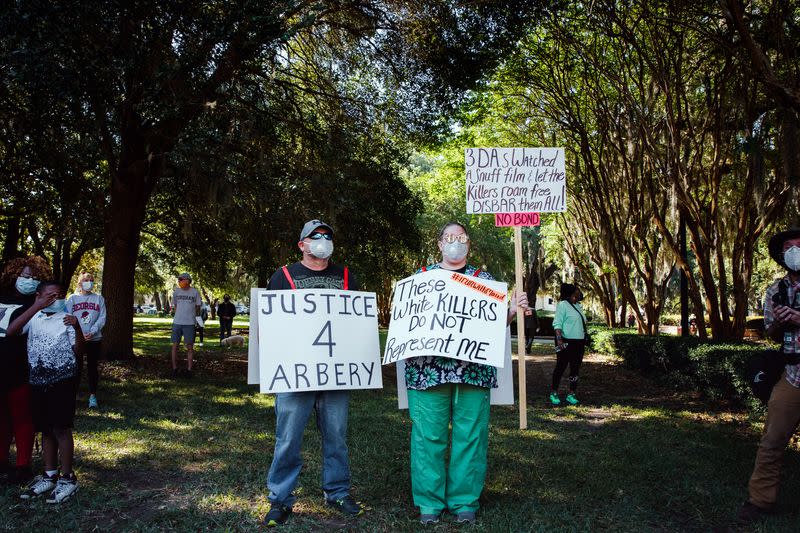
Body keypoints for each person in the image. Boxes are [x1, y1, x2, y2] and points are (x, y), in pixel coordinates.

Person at [405, 222, 527, 525]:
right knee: (427, 436)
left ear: (468, 244)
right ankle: (429, 503)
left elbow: (493, 323)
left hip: (473, 371)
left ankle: (464, 501)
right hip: (427, 370)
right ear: (439, 244)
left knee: (470, 436)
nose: (455, 242)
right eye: (449, 237)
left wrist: (512, 310)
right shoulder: (420, 280)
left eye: (460, 238)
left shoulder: (484, 281)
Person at [262, 219, 364, 527]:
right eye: (315, 236)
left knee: (336, 436)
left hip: (336, 373)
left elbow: (356, 327)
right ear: (302, 245)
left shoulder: (347, 277)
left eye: (327, 236)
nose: (322, 240)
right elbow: (271, 327)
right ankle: (280, 499)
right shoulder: (282, 277)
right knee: (288, 438)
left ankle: (338, 492)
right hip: (295, 374)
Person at [738, 228, 800, 523]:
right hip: (792, 375)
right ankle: (760, 500)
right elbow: (772, 333)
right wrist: (780, 323)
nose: (795, 250)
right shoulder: (775, 290)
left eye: (799, 245)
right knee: (772, 440)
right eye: (790, 247)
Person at [7, 280, 85, 503]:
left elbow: (79, 352)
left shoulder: (67, 319)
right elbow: (11, 331)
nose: (56, 300)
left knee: (61, 427)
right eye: (50, 296)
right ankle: (49, 474)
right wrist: (36, 307)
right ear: (39, 296)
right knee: (46, 429)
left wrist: (77, 327)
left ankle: (68, 478)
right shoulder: (34, 317)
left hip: (63, 380)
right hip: (38, 381)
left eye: (59, 295)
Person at [0, 256, 51, 486]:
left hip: (18, 368)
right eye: (25, 275)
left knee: (22, 417)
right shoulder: (3, 297)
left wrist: (38, 305)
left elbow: (15, 331)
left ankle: (22, 465)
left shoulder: (37, 307)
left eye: (34, 277)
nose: (28, 280)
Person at [66, 272, 106, 408]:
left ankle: (93, 396)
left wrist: (92, 331)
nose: (89, 282)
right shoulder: (72, 299)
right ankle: (73, 395)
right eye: (86, 279)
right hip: (77, 340)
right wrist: (76, 336)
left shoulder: (99, 298)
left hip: (94, 339)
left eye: (91, 280)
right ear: (80, 282)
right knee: (76, 367)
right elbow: (67, 319)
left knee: (92, 368)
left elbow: (102, 318)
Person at [550, 283, 587, 406]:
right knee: (561, 367)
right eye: (576, 289)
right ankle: (554, 392)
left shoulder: (578, 306)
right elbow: (557, 323)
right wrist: (559, 340)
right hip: (565, 341)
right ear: (571, 292)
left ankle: (572, 393)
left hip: (579, 342)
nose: (579, 291)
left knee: (575, 369)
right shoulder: (562, 305)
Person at [170, 273, 201, 378]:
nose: (179, 281)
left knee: (190, 347)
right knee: (175, 346)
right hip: (177, 323)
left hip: (190, 323)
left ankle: (189, 370)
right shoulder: (176, 292)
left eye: (181, 279)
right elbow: (175, 306)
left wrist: (195, 318)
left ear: (187, 280)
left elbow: (197, 307)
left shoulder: (195, 292)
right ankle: (174, 369)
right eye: (179, 280)